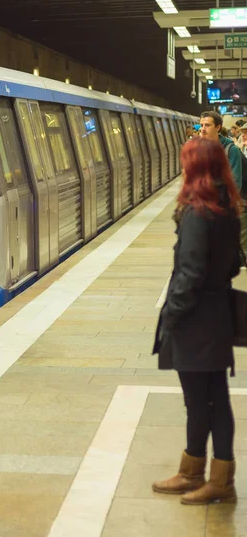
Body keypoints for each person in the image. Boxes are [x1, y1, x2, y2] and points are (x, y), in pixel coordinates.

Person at [152, 138, 242, 505]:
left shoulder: (197, 213)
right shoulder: (227, 208)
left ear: (195, 169)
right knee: (215, 399)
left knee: (199, 401)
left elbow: (188, 274)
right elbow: (235, 262)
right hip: (216, 314)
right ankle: (209, 474)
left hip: (194, 320)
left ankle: (197, 474)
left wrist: (170, 315)